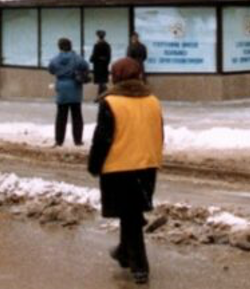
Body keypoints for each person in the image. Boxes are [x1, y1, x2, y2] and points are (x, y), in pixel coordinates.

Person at [88, 57, 164, 285]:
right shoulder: (153, 100)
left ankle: (140, 266)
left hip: (119, 166)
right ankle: (124, 252)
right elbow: (159, 132)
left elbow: (102, 138)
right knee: (130, 213)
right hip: (147, 165)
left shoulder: (111, 102)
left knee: (130, 216)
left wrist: (94, 164)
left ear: (116, 76)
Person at [48, 38, 90, 147]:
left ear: (60, 47)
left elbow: (51, 69)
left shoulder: (55, 60)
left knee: (61, 117)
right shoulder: (77, 58)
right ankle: (78, 140)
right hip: (75, 89)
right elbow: (86, 66)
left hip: (62, 89)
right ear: (70, 46)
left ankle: (59, 140)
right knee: (77, 116)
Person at [89, 30, 112, 98]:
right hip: (104, 65)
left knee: (100, 82)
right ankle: (102, 95)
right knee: (102, 81)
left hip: (98, 65)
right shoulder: (107, 45)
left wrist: (91, 60)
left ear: (98, 36)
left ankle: (102, 95)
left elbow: (94, 55)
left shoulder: (97, 45)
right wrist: (106, 62)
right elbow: (109, 56)